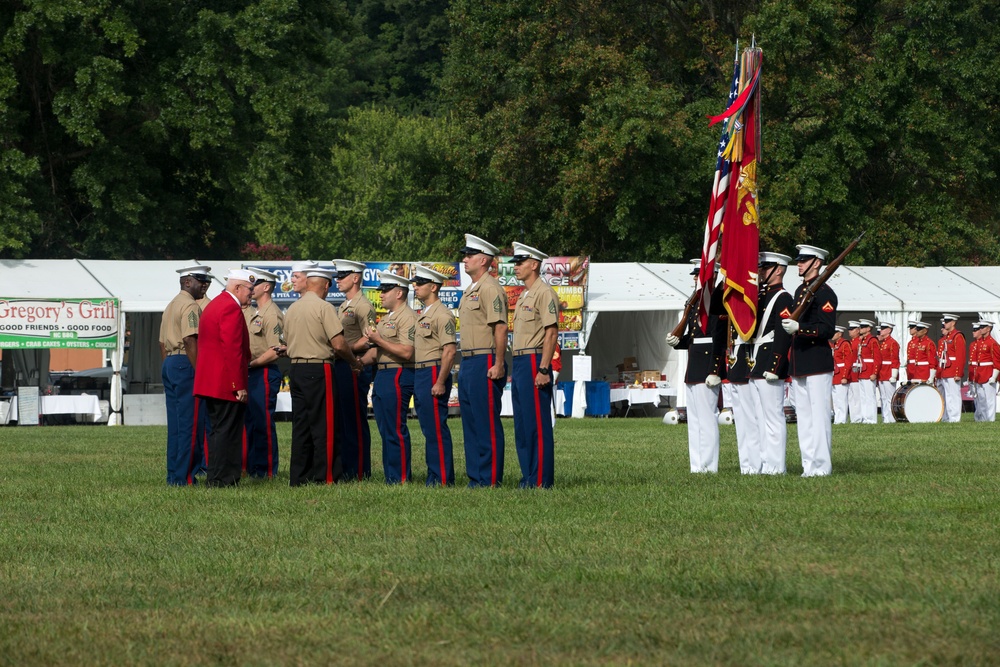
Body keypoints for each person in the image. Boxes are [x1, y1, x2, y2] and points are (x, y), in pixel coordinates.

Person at [284, 262, 361, 486]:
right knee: (325, 425)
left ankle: (299, 477)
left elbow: (287, 343)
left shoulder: (293, 309)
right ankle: (327, 476)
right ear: (326, 286)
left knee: (301, 426)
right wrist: (353, 361)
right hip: (319, 368)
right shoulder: (323, 307)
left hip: (296, 368)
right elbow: (338, 344)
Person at [665, 259, 727, 473]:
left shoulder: (717, 300)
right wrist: (678, 343)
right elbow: (694, 337)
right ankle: (697, 465)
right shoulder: (697, 301)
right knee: (695, 420)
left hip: (708, 365)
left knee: (707, 418)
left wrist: (715, 369)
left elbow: (719, 339)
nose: (694, 278)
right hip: (694, 364)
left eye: (698, 275)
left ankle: (709, 466)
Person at [194, 269, 254, 487]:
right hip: (224, 382)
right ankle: (224, 478)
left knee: (219, 430)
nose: (252, 293)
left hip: (213, 381)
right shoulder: (230, 308)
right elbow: (233, 349)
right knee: (228, 432)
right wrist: (238, 384)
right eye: (249, 289)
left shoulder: (217, 304)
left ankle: (217, 477)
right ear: (237, 288)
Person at [457, 234, 508, 488]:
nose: (464, 259)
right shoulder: (471, 290)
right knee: (471, 422)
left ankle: (489, 478)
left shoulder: (490, 288)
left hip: (484, 359)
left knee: (486, 422)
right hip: (468, 360)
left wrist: (498, 363)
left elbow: (500, 327)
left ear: (484, 259)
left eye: (469, 255)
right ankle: (475, 476)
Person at [782, 244, 837, 477]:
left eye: (804, 260)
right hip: (800, 361)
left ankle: (822, 466)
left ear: (816, 263)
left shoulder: (825, 293)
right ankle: (809, 465)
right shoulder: (799, 291)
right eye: (799, 260)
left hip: (816, 362)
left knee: (819, 416)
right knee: (804, 418)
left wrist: (800, 328)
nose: (799, 264)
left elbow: (826, 329)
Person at [509, 242, 560, 488]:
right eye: (515, 263)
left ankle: (541, 480)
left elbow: (551, 333)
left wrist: (543, 368)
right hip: (520, 360)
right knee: (522, 424)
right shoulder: (524, 295)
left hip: (534, 359)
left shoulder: (544, 292)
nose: (516, 267)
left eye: (520, 262)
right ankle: (528, 475)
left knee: (537, 424)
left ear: (534, 264)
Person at [361, 271, 417, 484]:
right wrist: (358, 364)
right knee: (385, 429)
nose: (381, 295)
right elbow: (377, 352)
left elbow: (406, 352)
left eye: (386, 290)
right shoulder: (387, 319)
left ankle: (400, 477)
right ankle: (391, 475)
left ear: (400, 293)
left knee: (395, 428)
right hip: (383, 373)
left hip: (398, 372)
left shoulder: (408, 317)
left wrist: (377, 339)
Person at [159, 264, 212, 486]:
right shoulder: (190, 306)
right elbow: (191, 340)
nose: (205, 286)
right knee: (190, 425)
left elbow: (162, 343)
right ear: (188, 282)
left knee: (177, 427)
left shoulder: (171, 305)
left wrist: (170, 365)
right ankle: (185, 478)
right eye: (201, 281)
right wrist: (200, 372)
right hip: (185, 362)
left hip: (171, 362)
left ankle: (175, 475)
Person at [746, 252, 794, 475]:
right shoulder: (762, 295)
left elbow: (783, 335)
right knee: (760, 417)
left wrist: (775, 366)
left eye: (766, 268)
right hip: (757, 361)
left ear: (779, 270)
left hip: (769, 364)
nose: (761, 272)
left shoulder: (783, 297)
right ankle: (766, 463)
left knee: (773, 418)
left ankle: (776, 466)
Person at [410, 265, 457, 486]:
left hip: (433, 372)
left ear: (434, 287)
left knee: (436, 428)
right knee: (429, 428)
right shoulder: (425, 314)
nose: (415, 287)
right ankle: (434, 474)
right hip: (421, 372)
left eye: (420, 283)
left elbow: (449, 350)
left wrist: (439, 381)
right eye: (415, 283)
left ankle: (442, 477)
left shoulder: (442, 314)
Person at [333, 259, 377, 481]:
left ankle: (359, 471)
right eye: (337, 276)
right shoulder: (344, 305)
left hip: (354, 366)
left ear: (356, 278)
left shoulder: (363, 305)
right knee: (343, 420)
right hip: (343, 364)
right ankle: (347, 468)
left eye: (342, 275)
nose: (337, 280)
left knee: (354, 421)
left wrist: (345, 350)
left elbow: (370, 337)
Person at [243, 268, 285, 478]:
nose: (251, 288)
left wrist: (252, 364)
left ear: (266, 287)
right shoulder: (256, 312)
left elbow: (276, 350)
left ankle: (267, 470)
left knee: (262, 423)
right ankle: (254, 467)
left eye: (255, 284)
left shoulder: (272, 314)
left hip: (264, 372)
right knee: (251, 422)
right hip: (253, 372)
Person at [968, 321, 1000, 421]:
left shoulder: (993, 343)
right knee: (981, 399)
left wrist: (994, 376)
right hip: (979, 373)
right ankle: (983, 419)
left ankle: (990, 419)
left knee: (989, 400)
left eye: (983, 327)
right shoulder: (979, 343)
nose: (980, 329)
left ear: (988, 329)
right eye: (980, 327)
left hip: (988, 373)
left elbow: (997, 361)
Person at [937, 313, 966, 422]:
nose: (945, 323)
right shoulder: (948, 337)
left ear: (953, 323)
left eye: (947, 321)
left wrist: (958, 373)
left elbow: (960, 356)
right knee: (948, 396)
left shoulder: (957, 336)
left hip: (953, 369)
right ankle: (948, 417)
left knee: (954, 395)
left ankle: (954, 418)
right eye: (945, 321)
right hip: (946, 369)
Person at [855, 319, 882, 424]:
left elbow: (877, 358)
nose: (860, 329)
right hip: (862, 371)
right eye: (860, 327)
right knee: (863, 397)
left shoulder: (872, 340)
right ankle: (865, 418)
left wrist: (874, 372)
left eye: (863, 327)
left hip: (869, 371)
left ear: (868, 328)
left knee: (870, 397)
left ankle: (871, 419)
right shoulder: (862, 340)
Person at [877, 322, 900, 423]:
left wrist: (893, 375)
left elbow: (895, 360)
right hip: (882, 373)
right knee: (883, 397)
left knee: (890, 398)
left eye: (883, 328)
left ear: (889, 330)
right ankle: (885, 418)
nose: (881, 330)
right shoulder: (883, 343)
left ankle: (891, 419)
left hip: (888, 373)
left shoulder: (892, 343)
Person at [831, 325, 851, 424]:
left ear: (840, 334)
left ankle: (842, 419)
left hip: (841, 373)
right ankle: (837, 419)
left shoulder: (844, 344)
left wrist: (845, 376)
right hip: (835, 374)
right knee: (836, 399)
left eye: (834, 333)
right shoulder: (835, 344)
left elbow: (848, 361)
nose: (832, 335)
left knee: (842, 398)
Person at [846, 321, 862, 423]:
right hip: (850, 372)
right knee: (851, 397)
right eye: (850, 330)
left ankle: (858, 417)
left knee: (857, 396)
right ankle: (854, 417)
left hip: (856, 371)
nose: (850, 332)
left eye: (852, 330)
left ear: (857, 330)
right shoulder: (851, 342)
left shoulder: (859, 342)